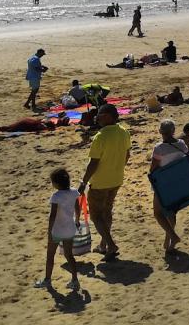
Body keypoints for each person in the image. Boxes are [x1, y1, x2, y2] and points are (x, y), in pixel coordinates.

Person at [77, 104, 131, 261]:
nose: (97, 117)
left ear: (108, 116)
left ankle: (110, 244)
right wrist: (117, 167)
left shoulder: (100, 136)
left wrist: (83, 181)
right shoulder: (124, 132)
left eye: (100, 115)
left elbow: (93, 163)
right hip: (116, 179)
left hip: (100, 182)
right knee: (107, 211)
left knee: (96, 215)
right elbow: (127, 155)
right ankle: (103, 245)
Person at [150, 118, 189, 253]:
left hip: (164, 183)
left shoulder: (159, 148)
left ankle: (173, 237)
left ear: (160, 131)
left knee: (158, 213)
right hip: (178, 182)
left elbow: (153, 168)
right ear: (173, 131)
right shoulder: (182, 144)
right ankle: (168, 241)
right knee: (171, 212)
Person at [34, 167, 82, 291]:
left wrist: (49, 232)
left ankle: (47, 280)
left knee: (50, 255)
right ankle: (75, 280)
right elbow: (77, 208)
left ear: (56, 183)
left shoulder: (56, 196)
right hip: (70, 229)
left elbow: (52, 216)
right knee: (69, 255)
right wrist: (77, 220)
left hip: (57, 230)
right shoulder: (74, 192)